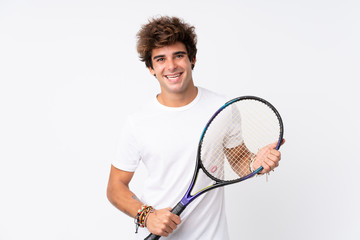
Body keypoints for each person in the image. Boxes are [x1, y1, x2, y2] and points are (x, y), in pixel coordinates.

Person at [107, 16, 284, 240]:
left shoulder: (222, 108)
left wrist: (255, 163)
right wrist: (147, 215)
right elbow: (115, 187)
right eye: (160, 59)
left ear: (192, 59)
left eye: (178, 56)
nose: (171, 66)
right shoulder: (138, 122)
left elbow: (239, 162)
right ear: (151, 68)